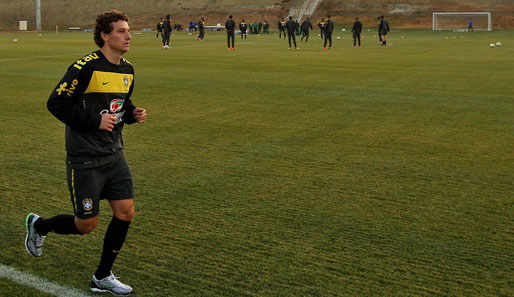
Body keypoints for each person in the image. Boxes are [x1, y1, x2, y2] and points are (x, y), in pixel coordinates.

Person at [24, 10, 147, 296]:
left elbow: (120, 105)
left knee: (125, 212)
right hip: (86, 158)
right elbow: (56, 103)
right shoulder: (86, 67)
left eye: (128, 30)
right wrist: (94, 121)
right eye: (121, 31)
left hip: (114, 154)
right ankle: (39, 225)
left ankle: (102, 276)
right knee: (85, 225)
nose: (128, 35)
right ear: (105, 36)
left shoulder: (127, 69)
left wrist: (132, 113)